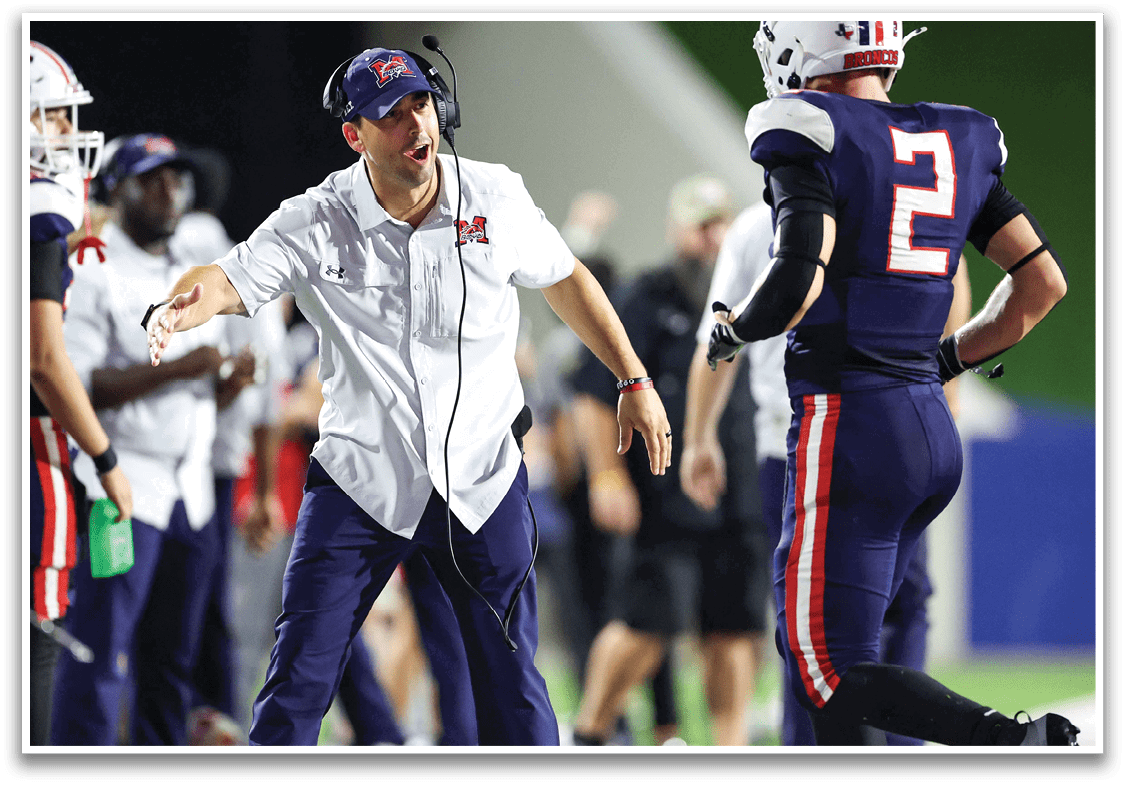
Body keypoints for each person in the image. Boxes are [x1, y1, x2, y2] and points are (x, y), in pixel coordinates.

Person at [143, 44, 671, 746]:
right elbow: (229, 277)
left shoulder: (495, 195)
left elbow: (566, 277)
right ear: (353, 135)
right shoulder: (317, 217)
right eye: (388, 116)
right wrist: (178, 306)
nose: (413, 125)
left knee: (514, 690)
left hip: (482, 480)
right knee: (297, 680)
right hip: (361, 483)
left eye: (419, 103)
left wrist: (632, 377)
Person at [703, 20, 1075, 746]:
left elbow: (794, 285)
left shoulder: (805, 127)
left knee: (823, 671)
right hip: (925, 427)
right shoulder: (957, 138)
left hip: (848, 426)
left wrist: (730, 329)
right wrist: (942, 362)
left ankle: (1009, 740)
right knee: (850, 658)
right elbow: (1041, 283)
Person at [682, 201, 973, 745]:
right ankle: (885, 746)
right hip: (890, 430)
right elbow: (956, 278)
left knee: (811, 626)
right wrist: (947, 389)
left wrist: (700, 439)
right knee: (889, 608)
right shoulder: (889, 194)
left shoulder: (760, 224)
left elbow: (717, 341)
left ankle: (832, 748)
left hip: (807, 438)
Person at [570, 175, 772, 747]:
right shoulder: (647, 294)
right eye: (700, 226)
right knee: (645, 625)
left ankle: (729, 748)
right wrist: (607, 476)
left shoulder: (755, 295)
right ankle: (588, 733)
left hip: (739, 492)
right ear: (676, 230)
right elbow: (591, 392)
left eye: (719, 224)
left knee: (733, 631)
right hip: (664, 494)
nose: (712, 238)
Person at [51, 134, 237, 745]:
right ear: (117, 188)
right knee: (101, 648)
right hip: (122, 486)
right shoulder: (91, 265)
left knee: (172, 660)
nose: (168, 192)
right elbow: (72, 383)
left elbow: (199, 394)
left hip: (191, 490)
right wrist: (182, 369)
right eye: (151, 179)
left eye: (176, 179)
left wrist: (228, 381)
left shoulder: (187, 271)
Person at [27, 40, 132, 747]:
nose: (67, 134)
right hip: (30, 451)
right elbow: (43, 357)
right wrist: (105, 455)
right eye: (55, 117)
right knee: (32, 640)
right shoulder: (38, 215)